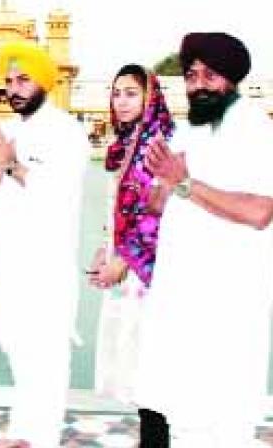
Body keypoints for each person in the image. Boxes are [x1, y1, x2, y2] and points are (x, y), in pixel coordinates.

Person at [133, 32, 273, 447]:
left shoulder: (256, 130)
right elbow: (169, 201)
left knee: (225, 421)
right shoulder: (192, 131)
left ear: (230, 80)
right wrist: (156, 189)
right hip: (181, 297)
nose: (197, 85)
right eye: (191, 76)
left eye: (209, 76)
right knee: (182, 413)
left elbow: (260, 211)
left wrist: (183, 185)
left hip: (229, 303)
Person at [0, 40, 89, 448]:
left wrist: (9, 162)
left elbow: (56, 190)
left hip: (46, 267)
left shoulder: (67, 133)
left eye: (23, 80)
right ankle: (23, 434)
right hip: (9, 263)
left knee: (47, 360)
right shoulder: (7, 130)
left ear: (43, 83)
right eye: (9, 81)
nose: (14, 88)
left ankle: (40, 438)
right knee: (20, 355)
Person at [87, 64, 173, 446]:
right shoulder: (127, 143)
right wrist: (106, 248)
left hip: (151, 274)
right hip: (131, 270)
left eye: (131, 93)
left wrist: (123, 260)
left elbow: (159, 214)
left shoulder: (157, 145)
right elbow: (120, 210)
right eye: (116, 93)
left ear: (150, 97)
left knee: (153, 366)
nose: (120, 102)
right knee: (137, 366)